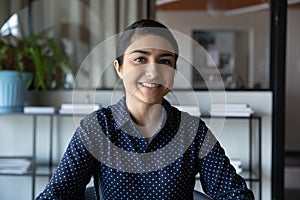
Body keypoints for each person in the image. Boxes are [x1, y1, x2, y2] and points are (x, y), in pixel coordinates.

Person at [36, 19, 254, 200]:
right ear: (119, 68)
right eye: (140, 59)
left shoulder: (193, 131)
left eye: (165, 61)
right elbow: (56, 195)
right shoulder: (97, 128)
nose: (153, 72)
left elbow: (235, 195)